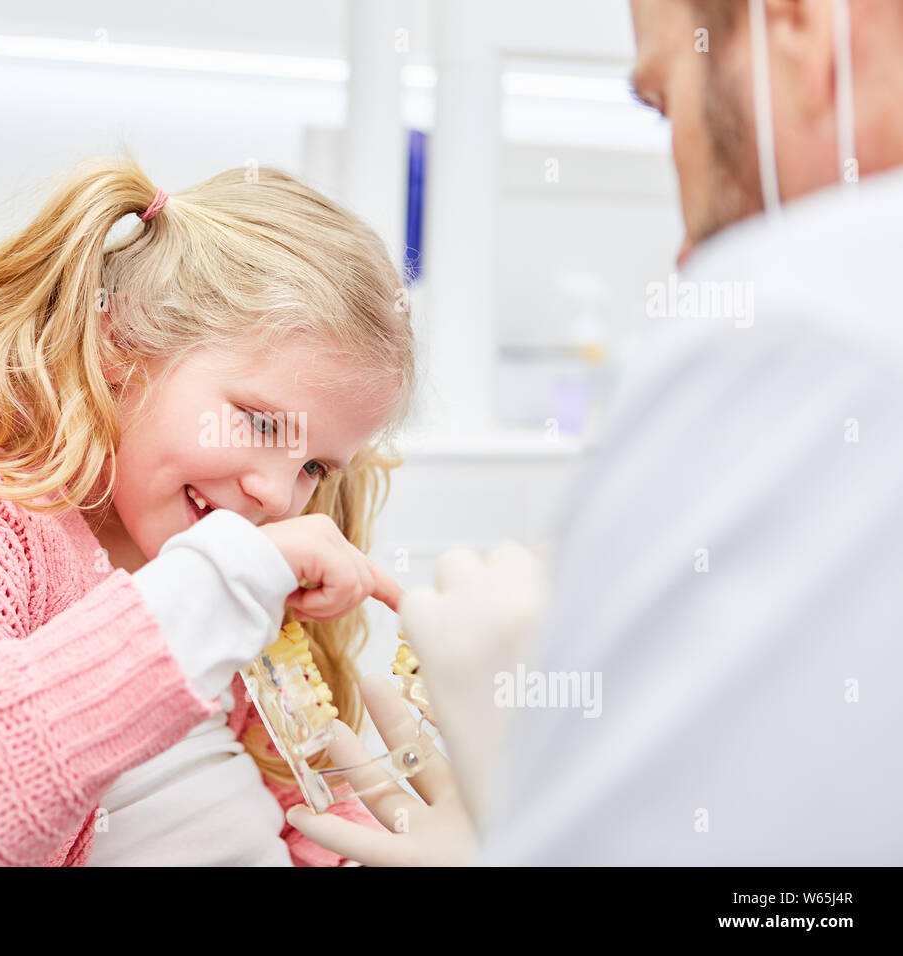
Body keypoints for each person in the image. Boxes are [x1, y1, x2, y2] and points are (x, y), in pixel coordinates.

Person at [286, 0, 903, 865]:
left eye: (662, 103)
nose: (688, 248)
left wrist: (539, 817)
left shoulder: (802, 318)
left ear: (797, 28)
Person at [0, 157, 415, 865]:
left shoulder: (221, 568)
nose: (277, 497)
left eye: (313, 466)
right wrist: (214, 590)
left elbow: (302, 811)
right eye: (261, 423)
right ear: (117, 342)